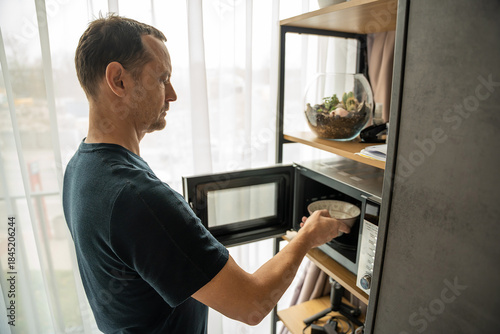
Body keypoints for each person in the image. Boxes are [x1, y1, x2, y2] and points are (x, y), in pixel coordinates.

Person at [63, 14, 350, 334]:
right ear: (118, 80)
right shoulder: (139, 197)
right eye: (162, 78)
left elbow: (139, 252)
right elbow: (252, 305)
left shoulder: (79, 168)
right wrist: (307, 236)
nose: (171, 94)